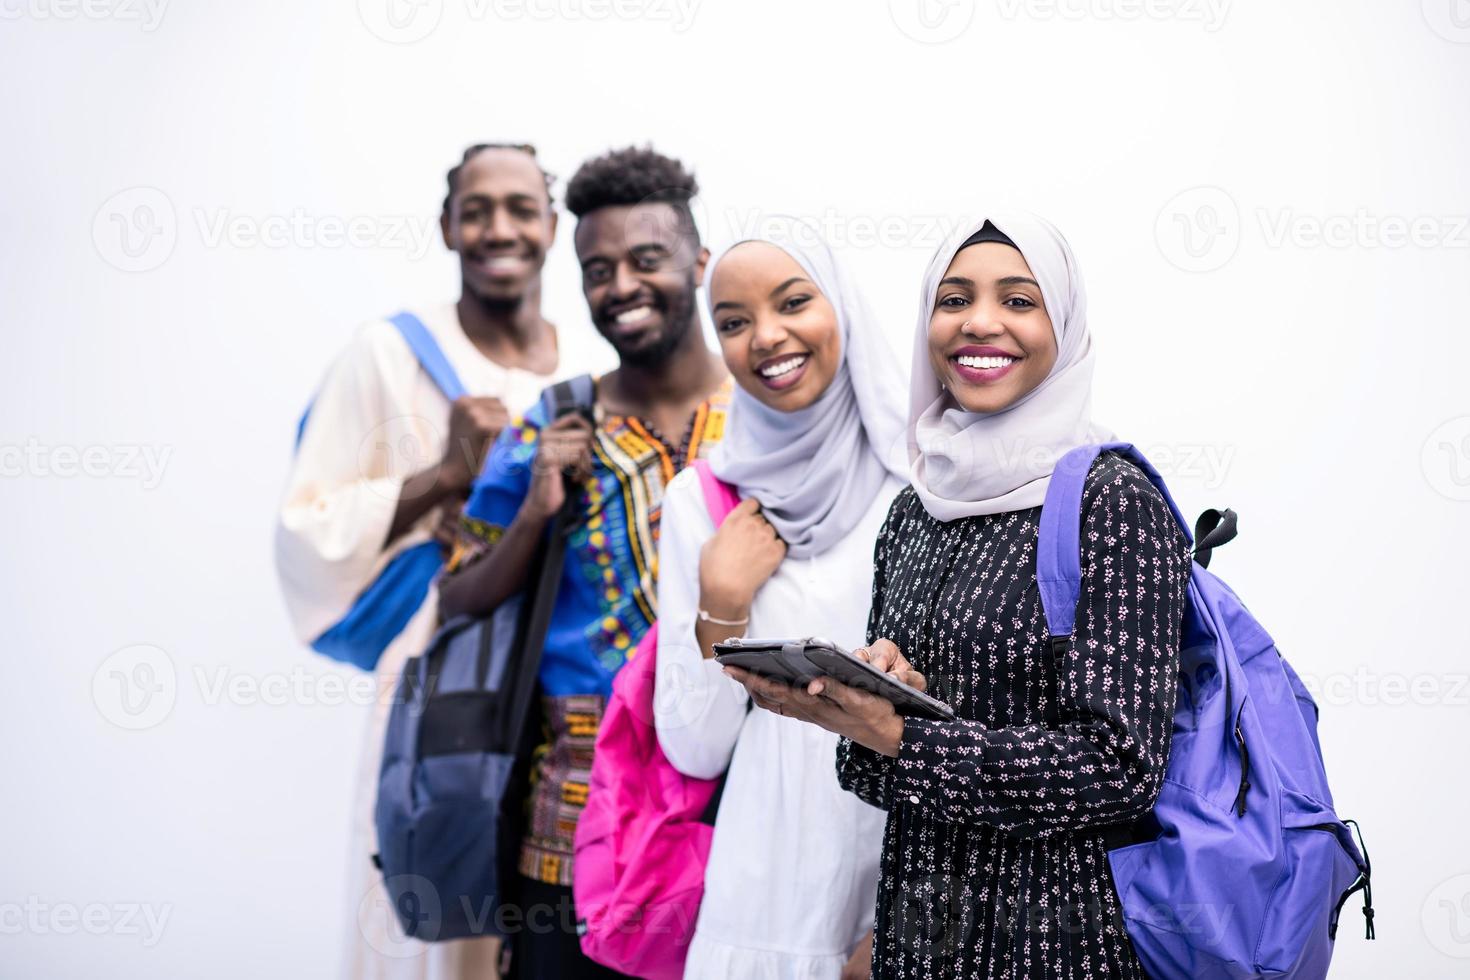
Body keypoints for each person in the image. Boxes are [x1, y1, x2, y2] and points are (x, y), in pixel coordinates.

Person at [723, 213, 1193, 978]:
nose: (980, 322)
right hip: (920, 939)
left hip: (1059, 942)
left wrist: (905, 738)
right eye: (953, 299)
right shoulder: (917, 506)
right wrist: (872, 705)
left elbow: (1119, 768)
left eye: (1018, 300)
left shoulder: (1110, 500)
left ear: (1063, 325)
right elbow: (872, 769)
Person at [274, 143, 570, 980]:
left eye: (520, 207)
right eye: (476, 209)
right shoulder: (388, 354)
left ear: (552, 225)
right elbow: (306, 527)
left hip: (555, 690)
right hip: (432, 682)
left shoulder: (587, 373)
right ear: (447, 225)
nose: (498, 227)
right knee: (423, 925)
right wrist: (444, 474)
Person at [437, 145, 732, 980]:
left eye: (647, 260)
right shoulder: (552, 423)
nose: (622, 288)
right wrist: (535, 509)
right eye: (598, 271)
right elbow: (456, 594)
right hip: (572, 830)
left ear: (699, 261)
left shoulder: (766, 420)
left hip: (738, 816)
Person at [651, 218, 910, 979]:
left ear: (842, 308)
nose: (765, 336)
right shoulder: (704, 501)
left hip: (906, 884)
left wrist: (906, 926)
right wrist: (722, 601)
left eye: (794, 303)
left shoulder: (923, 478)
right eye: (733, 322)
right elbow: (693, 749)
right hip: (763, 900)